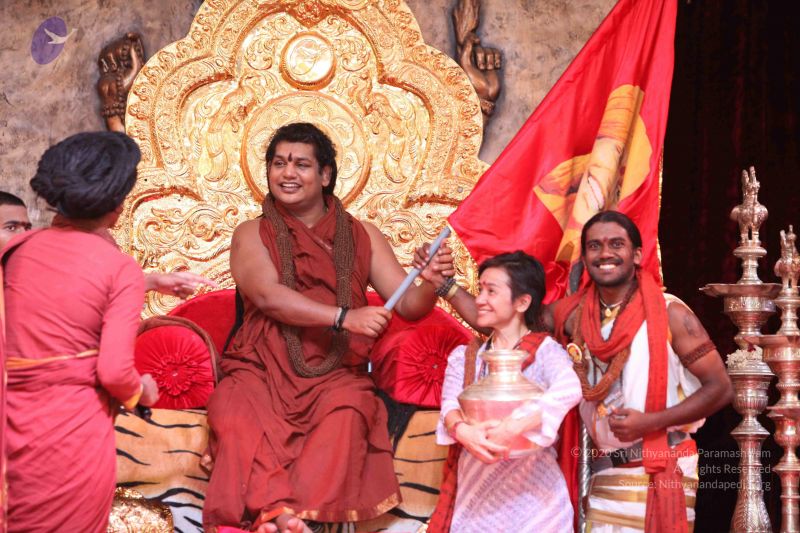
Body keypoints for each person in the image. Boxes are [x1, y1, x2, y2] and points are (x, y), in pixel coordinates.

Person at [416, 210, 733, 532]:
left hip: (664, 462)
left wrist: (651, 421)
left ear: (637, 255)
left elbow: (720, 389)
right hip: (605, 471)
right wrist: (443, 284)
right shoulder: (573, 315)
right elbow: (508, 320)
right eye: (594, 246)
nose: (605, 253)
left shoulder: (670, 313)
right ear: (585, 257)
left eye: (616, 244)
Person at [203, 122, 451, 533]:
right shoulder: (251, 233)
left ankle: (295, 519)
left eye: (301, 164)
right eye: (278, 163)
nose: (287, 173)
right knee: (233, 412)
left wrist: (432, 281)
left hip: (336, 373)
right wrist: (343, 317)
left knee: (351, 410)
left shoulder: (363, 235)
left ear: (325, 175)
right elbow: (267, 295)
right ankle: (277, 513)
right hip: (260, 369)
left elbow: (409, 304)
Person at [1, 131, 160, 532]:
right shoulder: (119, 268)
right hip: (74, 434)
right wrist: (141, 392)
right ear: (117, 205)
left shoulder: (15, 251)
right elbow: (114, 372)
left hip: (10, 427)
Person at [426, 251, 582, 532]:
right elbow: (449, 405)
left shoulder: (545, 351)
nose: (480, 300)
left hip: (538, 500)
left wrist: (514, 426)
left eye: (491, 291)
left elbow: (570, 387)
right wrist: (465, 432)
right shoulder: (465, 356)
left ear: (522, 302)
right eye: (480, 290)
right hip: (477, 499)